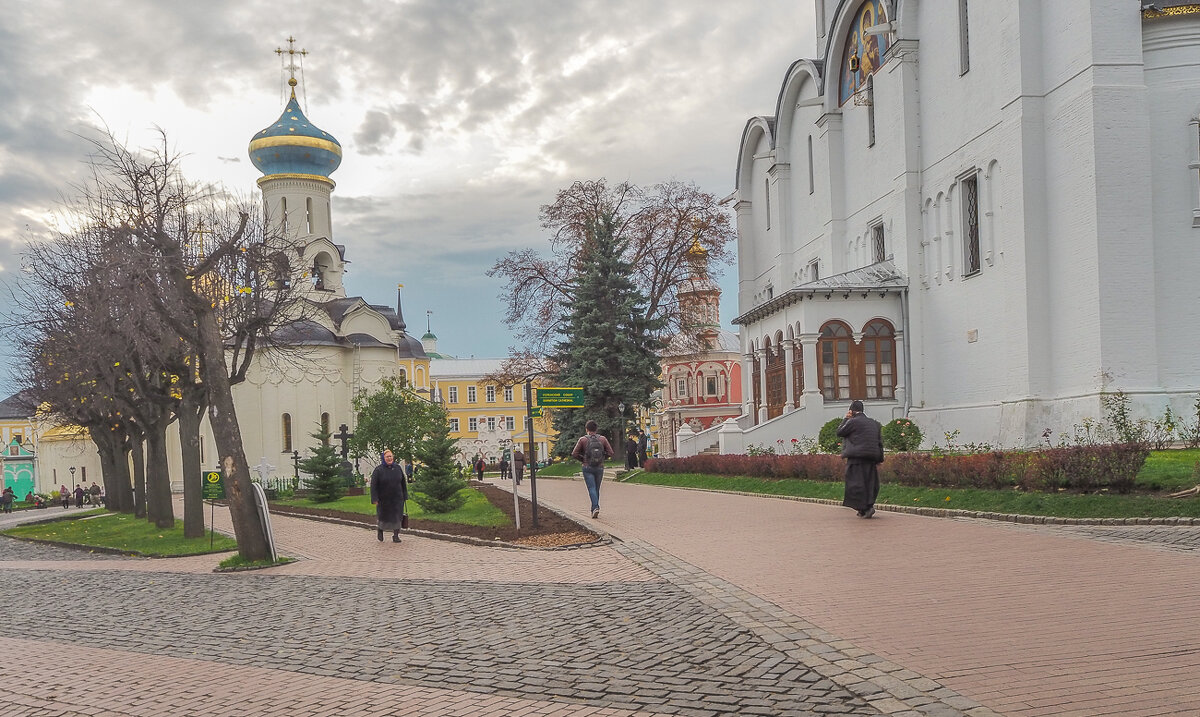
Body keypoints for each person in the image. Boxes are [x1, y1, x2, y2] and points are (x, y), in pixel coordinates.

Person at [837, 400, 885, 518]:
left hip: (856, 458)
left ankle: (864, 508)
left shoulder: (852, 422)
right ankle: (867, 507)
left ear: (852, 411)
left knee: (856, 484)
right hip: (871, 458)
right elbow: (879, 442)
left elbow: (840, 432)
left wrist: (846, 419)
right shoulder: (874, 423)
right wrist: (879, 458)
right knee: (870, 483)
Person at [571, 420, 613, 519]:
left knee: (591, 488)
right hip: (599, 467)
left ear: (587, 429)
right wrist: (602, 458)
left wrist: (583, 460)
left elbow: (574, 453)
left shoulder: (583, 440)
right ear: (596, 429)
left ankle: (595, 507)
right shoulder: (602, 439)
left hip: (587, 467)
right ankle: (594, 508)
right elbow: (611, 452)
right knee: (597, 488)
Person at [370, 449, 408, 543]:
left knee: (397, 517)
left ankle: (396, 536)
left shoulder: (398, 468)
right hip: (384, 499)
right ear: (384, 458)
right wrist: (375, 498)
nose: (389, 458)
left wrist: (405, 495)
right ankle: (380, 530)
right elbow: (373, 485)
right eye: (387, 457)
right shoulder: (378, 470)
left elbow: (403, 482)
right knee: (383, 517)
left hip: (397, 498)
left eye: (391, 456)